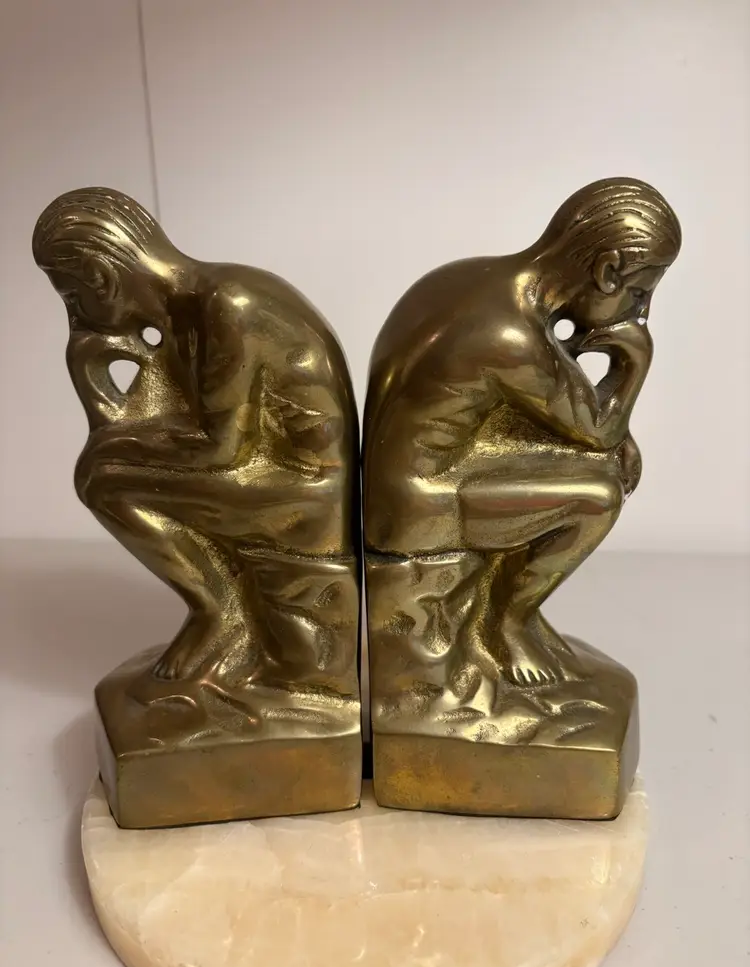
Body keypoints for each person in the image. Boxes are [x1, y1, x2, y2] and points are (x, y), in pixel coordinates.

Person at [34, 188, 359, 697]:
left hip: (304, 482)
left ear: (100, 276)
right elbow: (145, 424)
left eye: (72, 298)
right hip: (265, 469)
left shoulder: (226, 304)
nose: (76, 314)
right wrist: (86, 368)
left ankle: (217, 610)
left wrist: (119, 448)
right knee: (102, 470)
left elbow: (221, 451)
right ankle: (219, 609)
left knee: (103, 481)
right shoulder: (180, 316)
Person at [364, 177, 681, 688]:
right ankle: (508, 621)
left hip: (417, 471)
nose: (639, 313)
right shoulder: (512, 338)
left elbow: (567, 420)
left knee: (606, 462)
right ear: (607, 272)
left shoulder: (473, 280)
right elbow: (598, 430)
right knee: (599, 496)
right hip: (423, 496)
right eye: (639, 293)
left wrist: (606, 439)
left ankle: (513, 619)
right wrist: (635, 359)